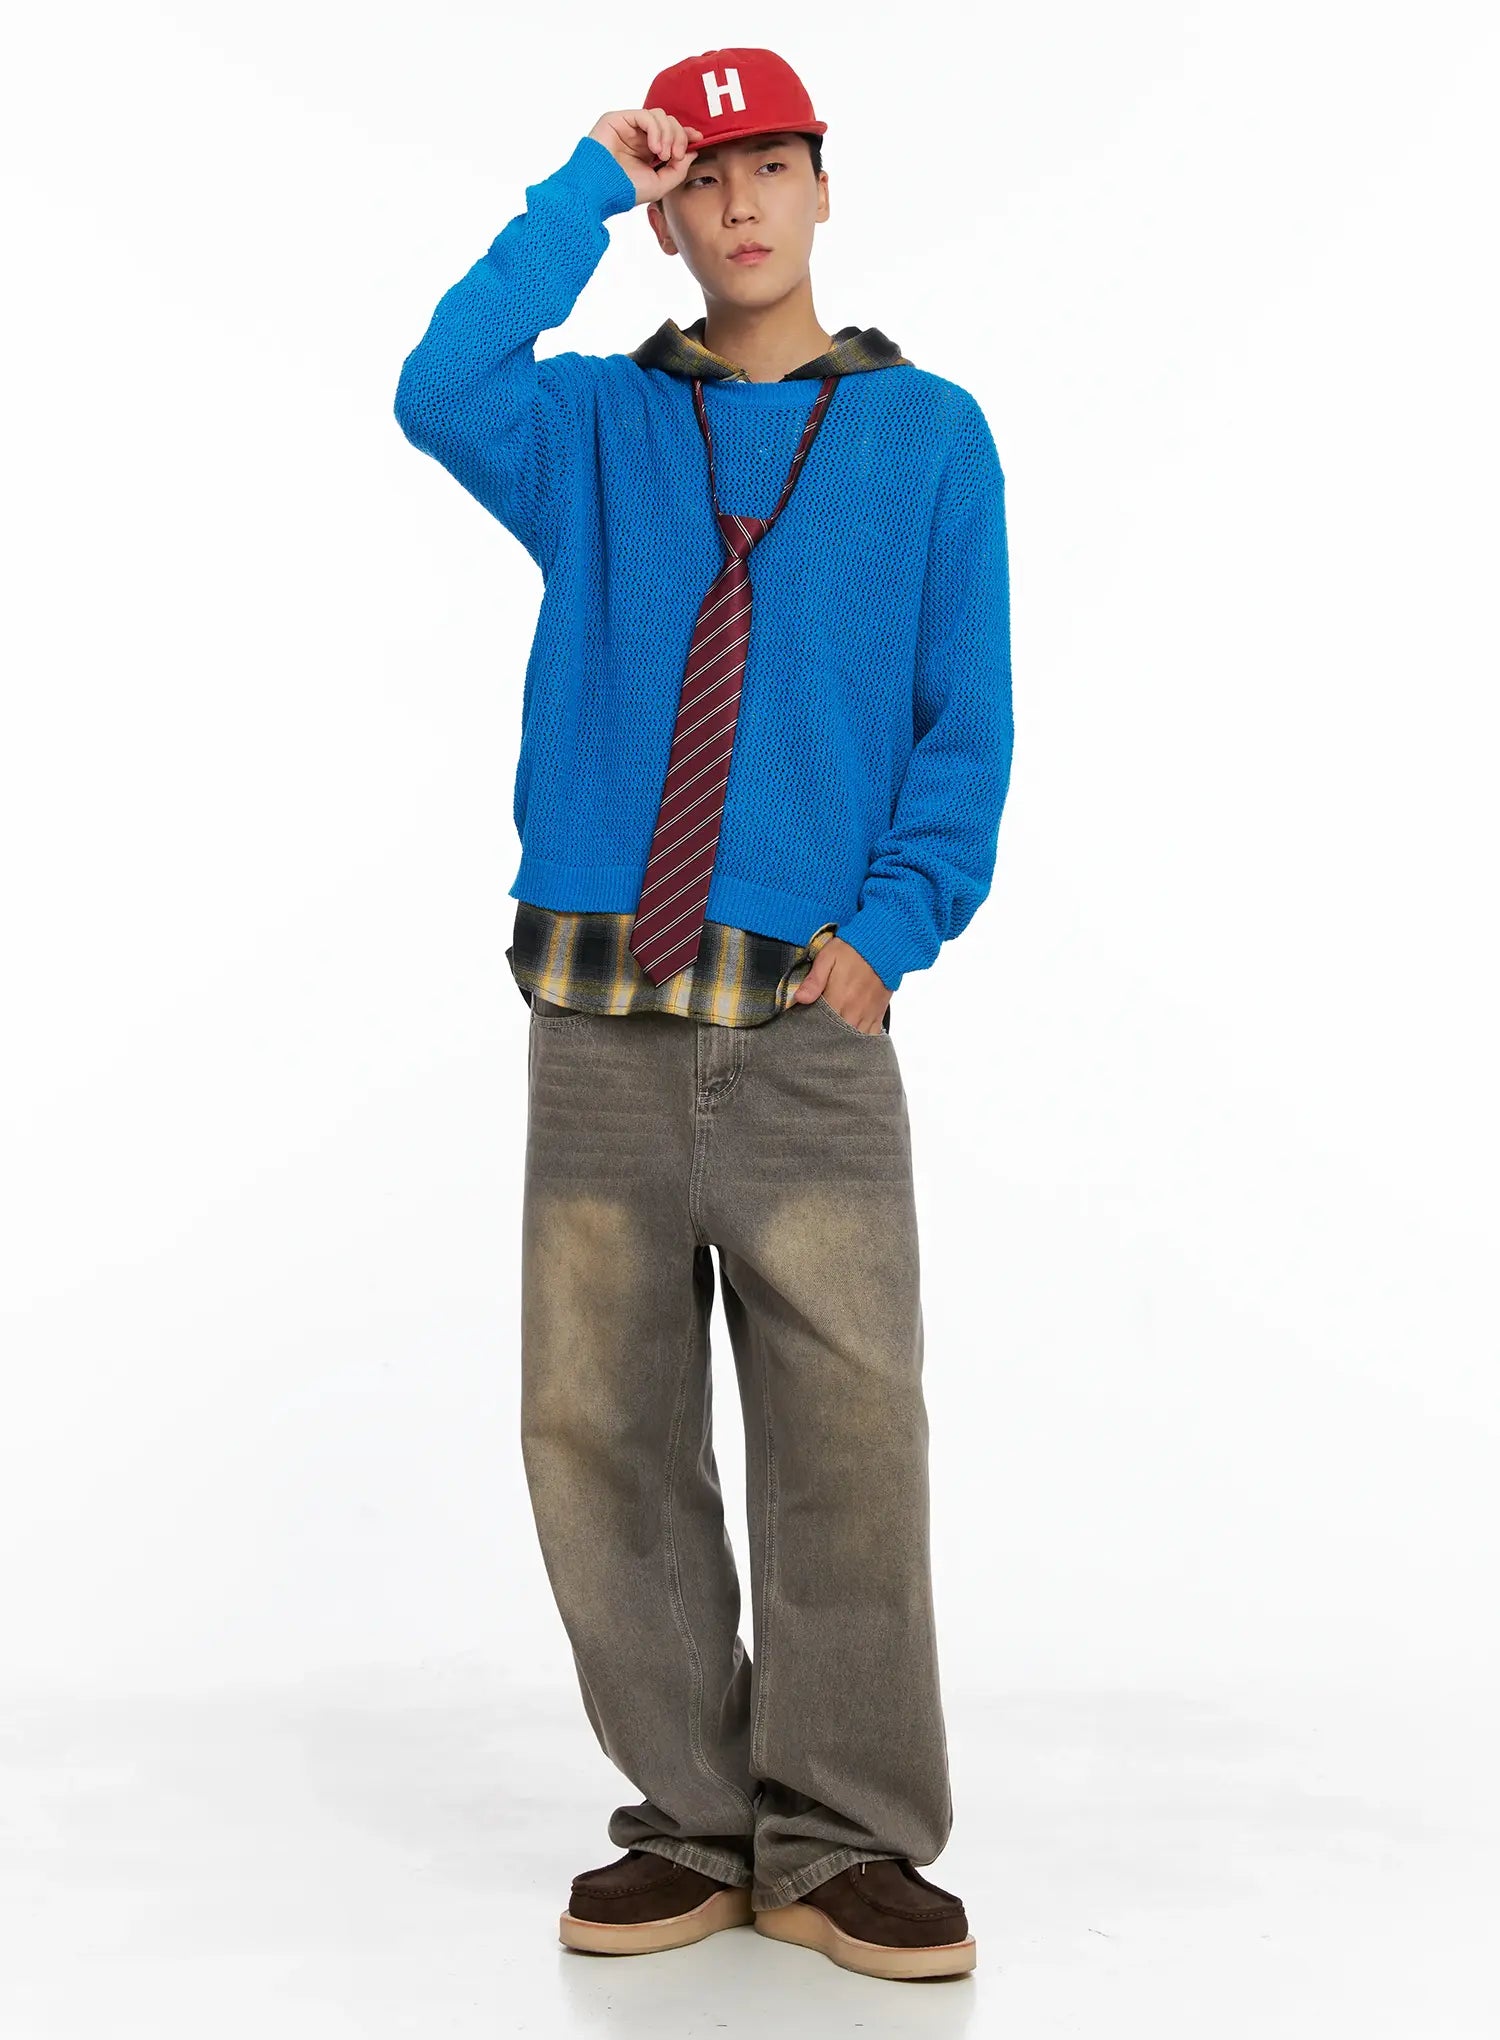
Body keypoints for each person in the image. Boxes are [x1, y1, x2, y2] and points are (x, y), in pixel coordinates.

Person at [394, 46, 1013, 1983]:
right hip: (599, 1015)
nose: (740, 204)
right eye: (701, 177)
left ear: (825, 188)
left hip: (807, 1021)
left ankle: (841, 1836)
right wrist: (581, 182)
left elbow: (964, 722)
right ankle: (690, 1815)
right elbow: (438, 389)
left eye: (773, 167)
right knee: (599, 1423)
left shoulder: (927, 437)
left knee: (848, 1429)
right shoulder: (594, 428)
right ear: (667, 216)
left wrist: (888, 934)